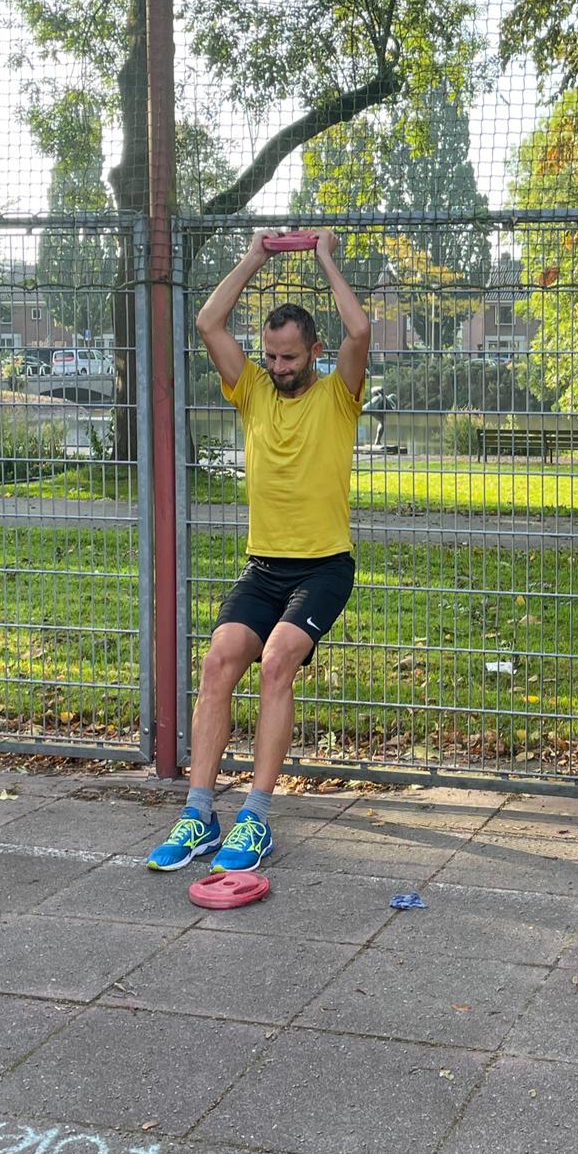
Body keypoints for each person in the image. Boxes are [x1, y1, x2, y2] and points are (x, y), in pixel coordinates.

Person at [147, 228, 371, 873]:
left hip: (324, 566)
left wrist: (325, 257)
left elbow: (360, 335)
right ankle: (198, 813)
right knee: (219, 664)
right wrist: (255, 256)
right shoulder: (250, 390)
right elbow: (209, 320)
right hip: (264, 566)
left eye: (291, 358)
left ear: (313, 353)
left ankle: (257, 818)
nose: (279, 368)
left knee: (277, 663)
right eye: (272, 357)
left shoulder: (339, 394)